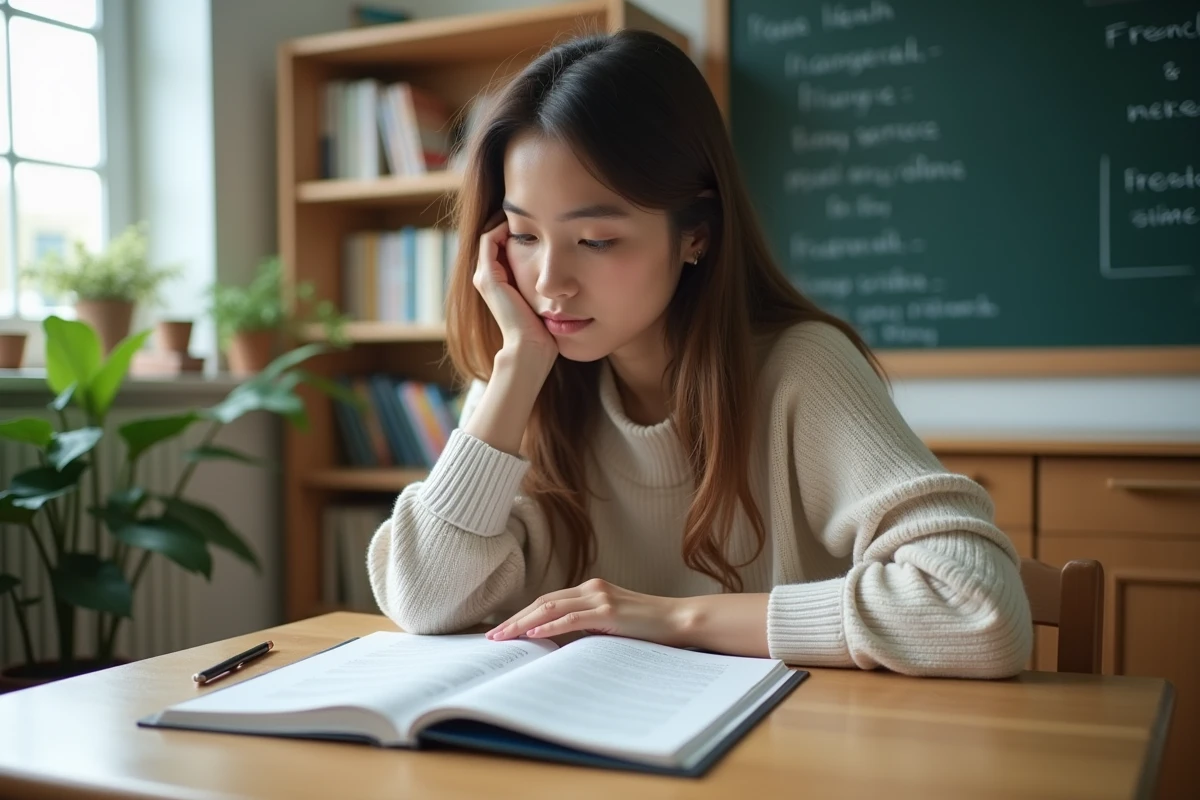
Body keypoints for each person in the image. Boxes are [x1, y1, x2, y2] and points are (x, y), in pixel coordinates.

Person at [366, 29, 1032, 678]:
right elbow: (425, 602)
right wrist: (513, 372)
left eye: (596, 240)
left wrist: (674, 618)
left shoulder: (801, 369)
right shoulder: (527, 376)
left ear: (697, 235)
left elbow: (979, 608)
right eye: (524, 235)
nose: (548, 284)